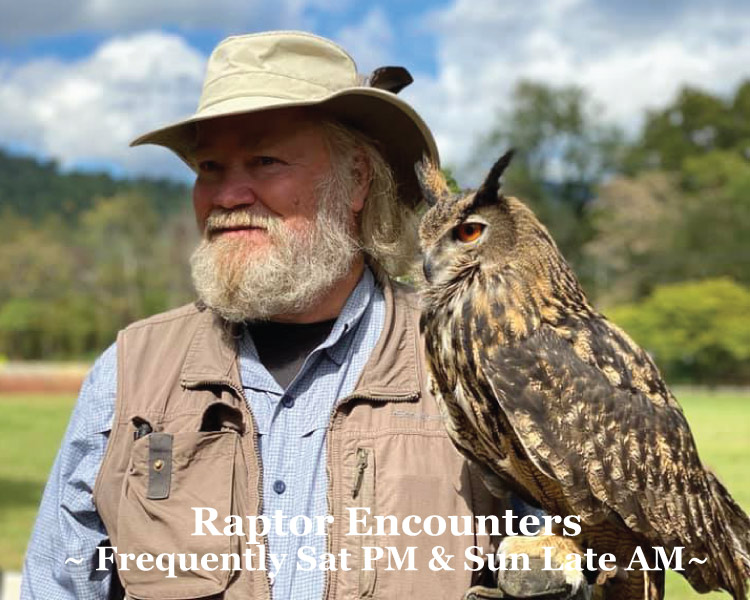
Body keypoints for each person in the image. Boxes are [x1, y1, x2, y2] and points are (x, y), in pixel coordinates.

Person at [21, 31, 588, 600]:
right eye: (210, 166)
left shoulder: (480, 365)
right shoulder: (130, 371)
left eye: (264, 161)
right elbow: (58, 584)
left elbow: (581, 560)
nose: (227, 194)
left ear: (358, 179)